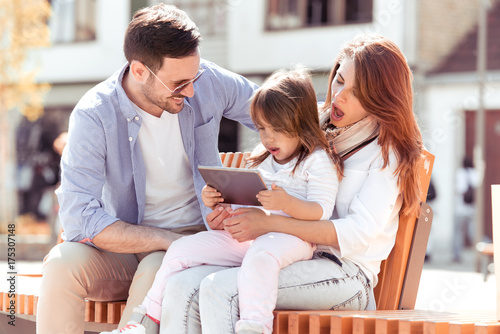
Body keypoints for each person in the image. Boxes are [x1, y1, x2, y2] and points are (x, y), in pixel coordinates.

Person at [157, 34, 424, 334]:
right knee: (182, 285)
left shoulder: (386, 155)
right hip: (282, 255)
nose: (339, 97)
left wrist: (269, 224)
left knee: (222, 290)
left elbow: (357, 232)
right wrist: (232, 213)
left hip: (343, 274)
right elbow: (272, 182)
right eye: (339, 81)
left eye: (357, 93)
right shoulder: (313, 128)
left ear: (381, 99)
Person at [36, 4, 258, 334]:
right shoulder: (94, 115)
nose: (192, 89)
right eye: (179, 82)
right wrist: (164, 239)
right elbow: (79, 217)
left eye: (194, 76)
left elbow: (278, 113)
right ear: (139, 71)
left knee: (157, 266)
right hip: (124, 246)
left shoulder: (205, 81)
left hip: (195, 241)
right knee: (59, 265)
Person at [105, 68, 342, 334]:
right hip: (252, 237)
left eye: (277, 129)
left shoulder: (316, 161)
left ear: (301, 124)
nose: (267, 138)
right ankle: (144, 322)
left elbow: (321, 211)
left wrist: (286, 203)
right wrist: (219, 202)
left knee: (261, 256)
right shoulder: (263, 156)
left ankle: (253, 326)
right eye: (262, 128)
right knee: (181, 249)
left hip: (291, 239)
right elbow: (249, 204)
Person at [453, 157, 479, 262]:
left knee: (458, 232)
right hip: (472, 208)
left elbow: (460, 189)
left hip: (460, 208)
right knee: (473, 232)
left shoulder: (460, 173)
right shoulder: (474, 173)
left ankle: (457, 255)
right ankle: (480, 252)